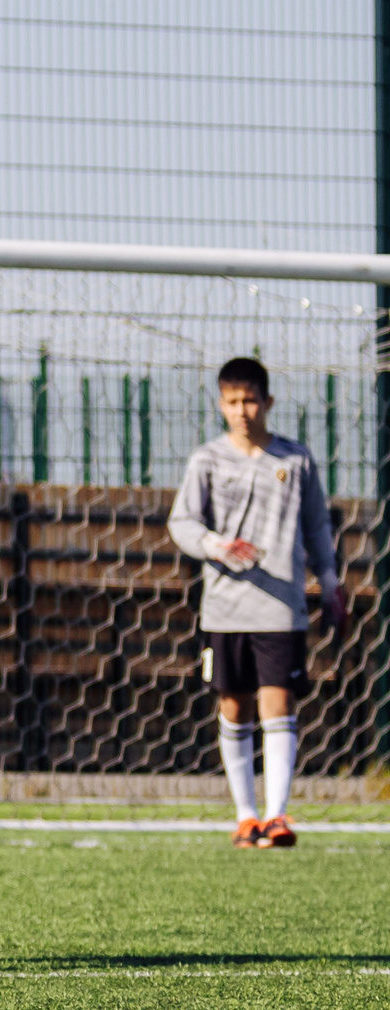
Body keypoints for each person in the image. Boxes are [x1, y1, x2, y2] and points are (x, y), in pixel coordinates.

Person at [169, 355, 343, 849]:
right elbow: (181, 524)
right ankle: (245, 817)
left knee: (279, 705)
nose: (242, 410)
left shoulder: (295, 460)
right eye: (232, 401)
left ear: (267, 402)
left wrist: (329, 580)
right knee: (234, 706)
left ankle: (277, 816)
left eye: (250, 400)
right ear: (220, 404)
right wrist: (215, 544)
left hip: (281, 606)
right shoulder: (206, 460)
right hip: (225, 608)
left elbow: (317, 527)